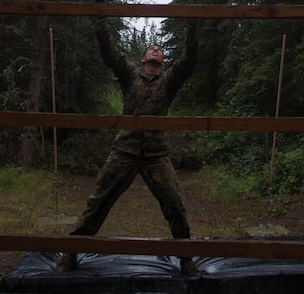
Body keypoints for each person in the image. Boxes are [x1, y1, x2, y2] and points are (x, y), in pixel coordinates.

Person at [55, 18, 200, 276]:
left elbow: (188, 64)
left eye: (160, 50)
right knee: (99, 201)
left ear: (163, 61)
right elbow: (111, 56)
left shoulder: (168, 82)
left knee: (174, 203)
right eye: (151, 49)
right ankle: (72, 251)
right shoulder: (130, 74)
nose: (156, 50)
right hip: (124, 150)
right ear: (143, 59)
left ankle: (186, 257)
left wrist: (191, 29)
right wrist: (101, 25)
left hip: (156, 154)